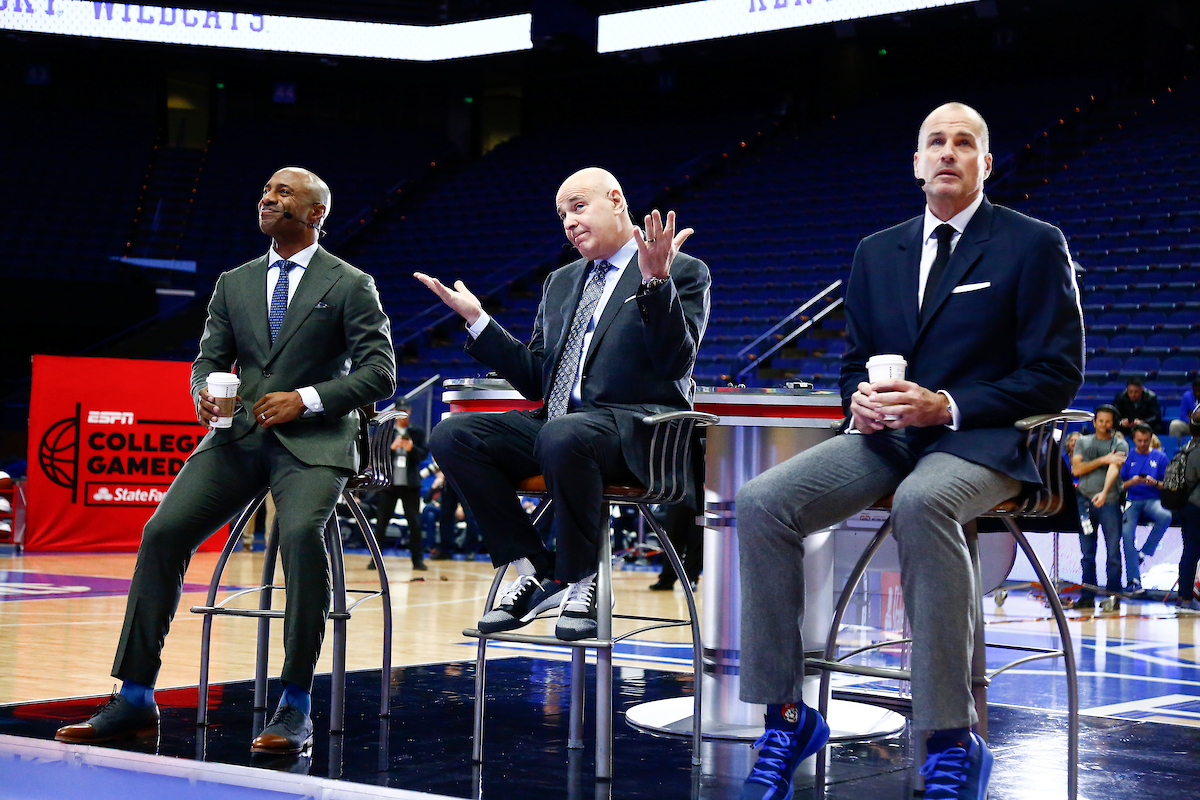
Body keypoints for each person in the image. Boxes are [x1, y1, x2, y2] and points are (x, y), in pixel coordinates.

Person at [734, 103, 1083, 800]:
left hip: (984, 438)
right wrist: (857, 400)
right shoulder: (876, 252)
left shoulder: (1033, 243)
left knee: (924, 501)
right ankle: (787, 718)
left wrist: (947, 404)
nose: (949, 152)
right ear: (917, 163)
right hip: (887, 436)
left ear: (986, 163)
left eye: (964, 143)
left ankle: (952, 739)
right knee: (761, 502)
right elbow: (853, 363)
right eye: (936, 142)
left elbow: (1057, 372)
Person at [55, 167, 396, 754]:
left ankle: (295, 704)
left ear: (316, 212)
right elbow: (207, 359)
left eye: (284, 192)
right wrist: (202, 393)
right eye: (265, 190)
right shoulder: (234, 283)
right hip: (238, 438)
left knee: (300, 535)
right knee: (162, 533)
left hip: (314, 441)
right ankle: (134, 696)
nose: (268, 198)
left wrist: (307, 398)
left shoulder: (350, 283)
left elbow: (380, 373)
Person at [417, 167, 710, 641]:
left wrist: (656, 285)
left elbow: (676, 361)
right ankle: (537, 568)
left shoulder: (682, 269)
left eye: (578, 207)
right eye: (562, 216)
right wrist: (479, 323)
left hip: (634, 430)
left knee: (564, 433)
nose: (570, 222)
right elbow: (538, 378)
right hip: (559, 427)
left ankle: (580, 578)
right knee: (453, 435)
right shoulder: (560, 281)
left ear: (616, 200)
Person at [1071, 405, 1127, 609]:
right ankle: (1087, 596)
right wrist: (1103, 459)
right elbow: (1076, 469)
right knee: (1087, 554)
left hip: (1110, 502)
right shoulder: (1082, 442)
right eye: (1100, 421)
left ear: (1114, 423)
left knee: (1113, 553)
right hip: (1084, 502)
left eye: (1108, 421)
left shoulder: (1120, 444)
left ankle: (1113, 597)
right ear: (1094, 422)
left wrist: (1103, 493)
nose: (1104, 425)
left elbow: (1114, 469)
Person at [369, 403, 430, 571]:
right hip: (388, 485)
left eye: (406, 411)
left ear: (410, 411)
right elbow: (376, 454)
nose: (404, 414)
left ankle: (417, 560)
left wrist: (412, 449)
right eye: (400, 411)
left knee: (414, 524)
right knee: (381, 524)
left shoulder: (417, 432)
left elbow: (423, 454)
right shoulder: (386, 430)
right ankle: (375, 560)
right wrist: (391, 448)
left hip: (410, 485)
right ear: (395, 412)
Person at [1119, 422, 1174, 592]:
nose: (1142, 444)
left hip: (1152, 499)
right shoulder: (1128, 456)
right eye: (1139, 441)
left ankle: (1144, 552)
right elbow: (1118, 485)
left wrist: (1155, 483)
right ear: (1134, 440)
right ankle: (1133, 580)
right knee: (1127, 534)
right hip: (1132, 499)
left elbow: (1169, 484)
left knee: (1166, 515)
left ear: (1151, 439)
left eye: (1145, 440)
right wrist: (1132, 482)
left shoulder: (1160, 457)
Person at [1178, 409, 1200, 614]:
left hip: (1185, 504)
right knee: (1192, 552)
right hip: (1196, 507)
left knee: (1188, 552)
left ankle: (1182, 596)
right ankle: (1186, 599)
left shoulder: (1188, 446)